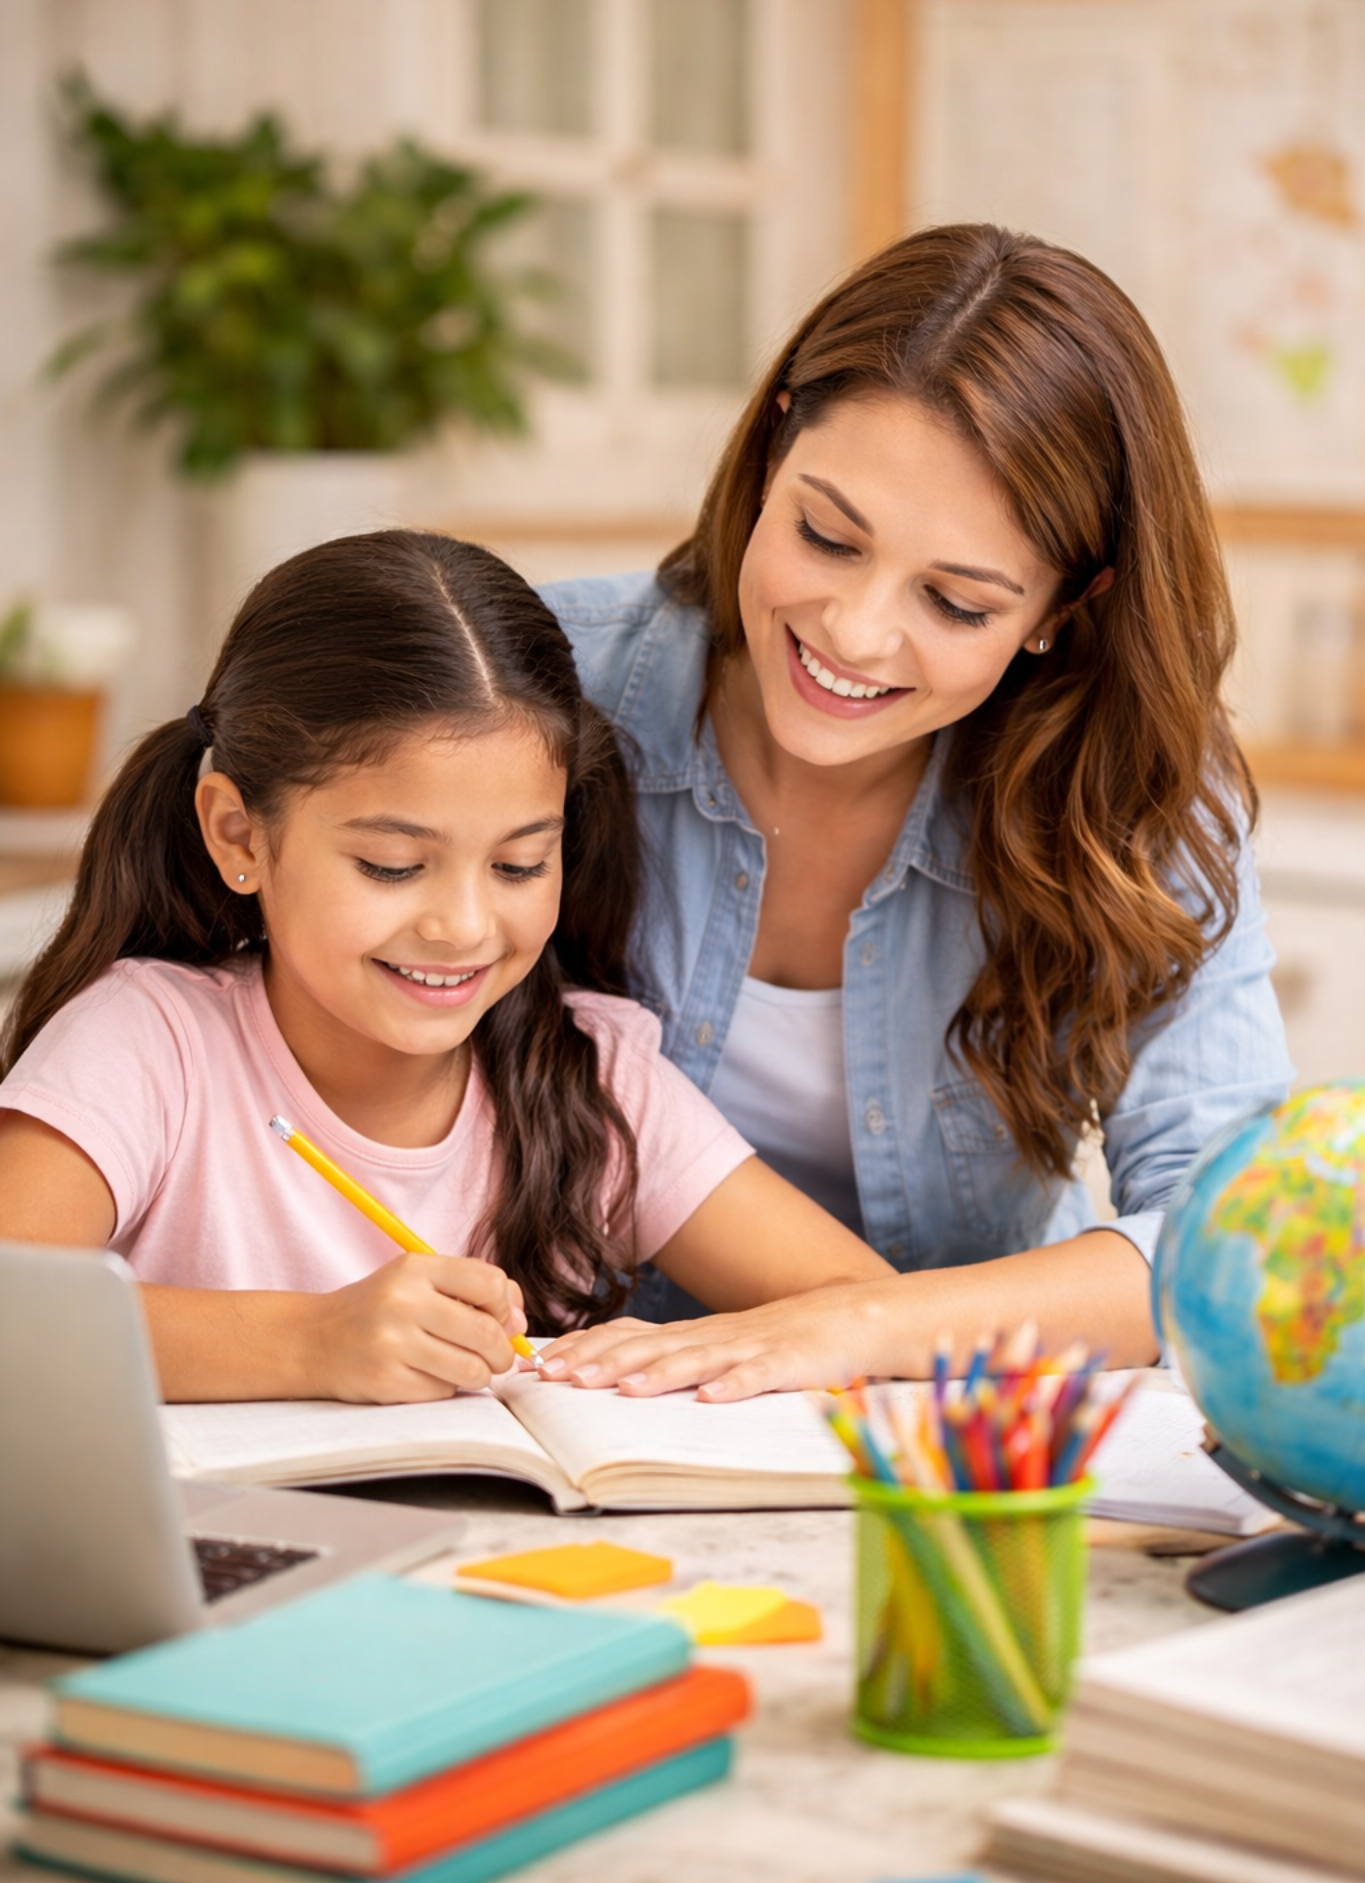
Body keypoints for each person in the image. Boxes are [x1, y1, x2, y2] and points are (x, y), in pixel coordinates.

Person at [535, 222, 1293, 1403]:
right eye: (826, 536)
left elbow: (1226, 1240)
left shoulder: (1136, 790)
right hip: (581, 1404)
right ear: (777, 437)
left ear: (1061, 609)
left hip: (959, 1425)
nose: (854, 633)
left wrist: (857, 1326)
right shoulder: (540, 685)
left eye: (956, 601)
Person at [0, 531, 889, 1403]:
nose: (462, 926)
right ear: (238, 834)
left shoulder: (590, 1080)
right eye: (391, 865)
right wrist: (311, 1343)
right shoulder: (145, 1044)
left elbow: (867, 1311)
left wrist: (681, 1352)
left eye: (518, 866)